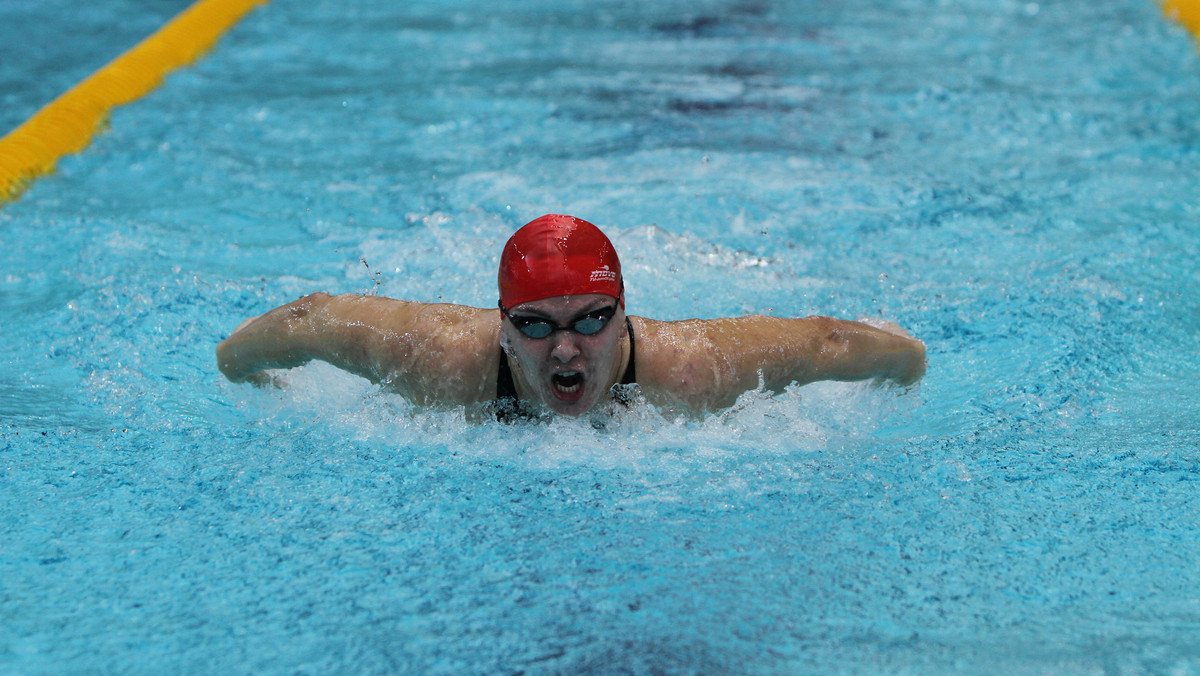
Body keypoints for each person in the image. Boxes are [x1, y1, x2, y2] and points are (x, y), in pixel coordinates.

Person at [216, 214, 926, 419]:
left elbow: (824, 342)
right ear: (501, 327)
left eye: (590, 321)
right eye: (534, 325)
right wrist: (244, 379)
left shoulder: (688, 369)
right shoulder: (443, 361)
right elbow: (309, 321)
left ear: (624, 319)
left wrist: (906, 368)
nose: (564, 350)